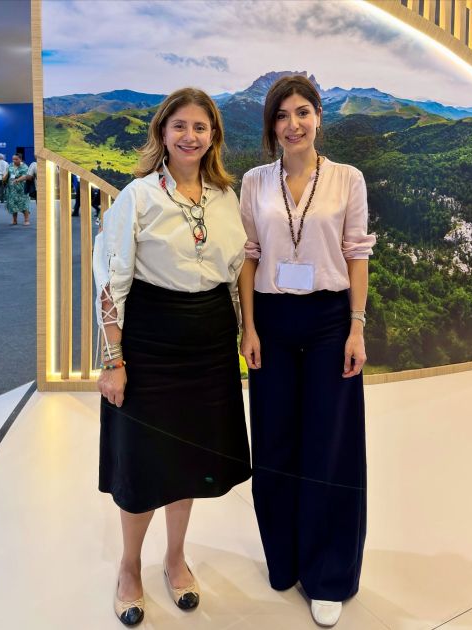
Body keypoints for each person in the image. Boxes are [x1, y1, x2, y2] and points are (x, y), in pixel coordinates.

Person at [92, 87, 251, 627]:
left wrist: (243, 334)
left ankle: (175, 558)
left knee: (189, 460)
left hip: (209, 343)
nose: (190, 136)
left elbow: (236, 272)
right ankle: (129, 567)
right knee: (140, 462)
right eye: (179, 125)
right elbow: (112, 282)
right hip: (150, 342)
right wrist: (113, 360)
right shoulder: (137, 197)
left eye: (200, 127)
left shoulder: (225, 197)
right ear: (162, 132)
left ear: (214, 137)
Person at [238, 75, 376, 627]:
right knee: (274, 443)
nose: (292, 124)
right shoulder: (255, 181)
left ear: (319, 116)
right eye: (281, 115)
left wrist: (356, 328)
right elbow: (249, 255)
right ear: (271, 125)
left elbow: (357, 255)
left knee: (330, 446)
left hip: (328, 321)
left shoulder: (347, 178)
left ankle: (328, 575)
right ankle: (286, 558)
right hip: (271, 320)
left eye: (302, 112)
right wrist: (248, 326)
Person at [4, 154, 31, 225]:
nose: (14, 161)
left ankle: (26, 220)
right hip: (12, 189)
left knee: (24, 204)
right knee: (13, 204)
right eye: (13, 159)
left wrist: (17, 180)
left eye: (16, 159)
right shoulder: (10, 165)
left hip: (22, 189)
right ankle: (14, 220)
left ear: (20, 159)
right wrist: (4, 177)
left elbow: (25, 176)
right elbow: (7, 174)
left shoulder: (24, 166)